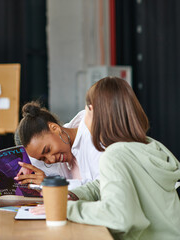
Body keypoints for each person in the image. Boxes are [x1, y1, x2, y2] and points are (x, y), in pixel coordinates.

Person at [32, 77, 180, 239]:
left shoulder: (114, 154)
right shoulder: (147, 145)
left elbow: (119, 217)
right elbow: (102, 184)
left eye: (86, 109)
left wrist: (65, 209)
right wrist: (74, 195)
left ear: (93, 110)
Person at [14, 101, 102, 189]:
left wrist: (52, 184)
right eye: (43, 159)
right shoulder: (64, 143)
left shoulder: (93, 136)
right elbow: (33, 159)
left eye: (48, 150)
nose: (51, 160)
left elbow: (101, 187)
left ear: (55, 128)